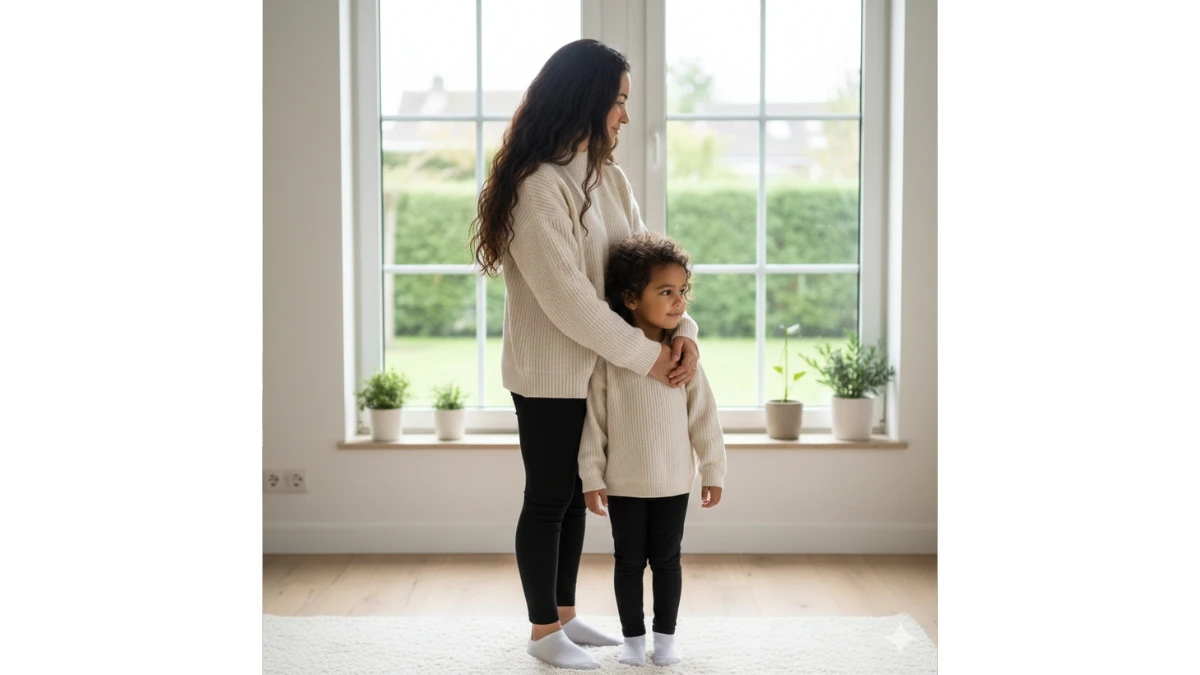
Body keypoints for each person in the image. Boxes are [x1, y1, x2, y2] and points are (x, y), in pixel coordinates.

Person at [468, 39, 704, 670]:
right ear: (587, 100)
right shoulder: (535, 187)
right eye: (618, 102)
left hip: (603, 369)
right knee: (549, 498)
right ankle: (543, 632)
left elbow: (647, 274)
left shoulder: (606, 178)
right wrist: (648, 356)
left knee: (574, 496)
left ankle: (565, 619)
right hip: (549, 374)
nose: (625, 117)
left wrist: (683, 333)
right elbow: (569, 300)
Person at [577, 232, 727, 667]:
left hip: (674, 482)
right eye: (666, 291)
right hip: (623, 484)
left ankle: (665, 639)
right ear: (630, 298)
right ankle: (631, 639)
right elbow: (594, 426)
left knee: (667, 561)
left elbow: (705, 420)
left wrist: (713, 471)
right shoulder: (612, 361)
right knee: (627, 563)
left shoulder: (685, 361)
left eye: (682, 291)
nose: (679, 301)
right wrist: (592, 478)